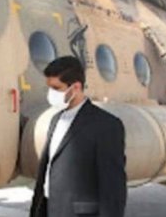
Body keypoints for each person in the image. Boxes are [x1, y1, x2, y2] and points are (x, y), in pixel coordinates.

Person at [30, 56, 127, 217]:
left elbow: (113, 187)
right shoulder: (55, 119)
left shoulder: (106, 125)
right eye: (49, 87)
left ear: (75, 87)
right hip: (48, 208)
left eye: (56, 88)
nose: (51, 93)